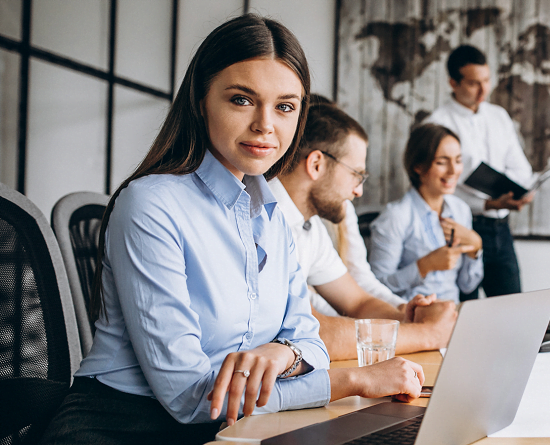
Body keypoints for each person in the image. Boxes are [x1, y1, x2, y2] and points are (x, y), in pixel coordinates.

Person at [41, 15, 422, 445]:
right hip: (121, 428)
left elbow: (310, 342)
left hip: (238, 427)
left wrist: (285, 353)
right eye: (242, 100)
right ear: (202, 100)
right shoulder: (150, 205)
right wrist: (354, 380)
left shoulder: (273, 213)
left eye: (285, 106)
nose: (266, 125)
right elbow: (192, 398)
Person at [269, 97, 456, 361]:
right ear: (316, 165)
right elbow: (308, 334)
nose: (359, 191)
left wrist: (406, 317)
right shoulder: (263, 222)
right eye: (356, 174)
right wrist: (426, 334)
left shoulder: (310, 227)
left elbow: (358, 301)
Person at [424, 44, 532, 300]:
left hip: (501, 230)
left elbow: (521, 168)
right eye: (474, 83)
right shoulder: (436, 124)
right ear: (453, 82)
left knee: (513, 308)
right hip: (459, 228)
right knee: (465, 312)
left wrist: (518, 194)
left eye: (486, 80)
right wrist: (488, 202)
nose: (484, 90)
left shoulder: (499, 116)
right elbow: (436, 187)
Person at [370, 123, 483, 303]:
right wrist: (424, 266)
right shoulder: (395, 217)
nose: (454, 171)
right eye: (442, 162)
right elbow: (375, 288)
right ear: (418, 166)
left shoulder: (461, 210)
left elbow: (468, 285)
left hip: (452, 315)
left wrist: (476, 247)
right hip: (411, 318)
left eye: (458, 160)